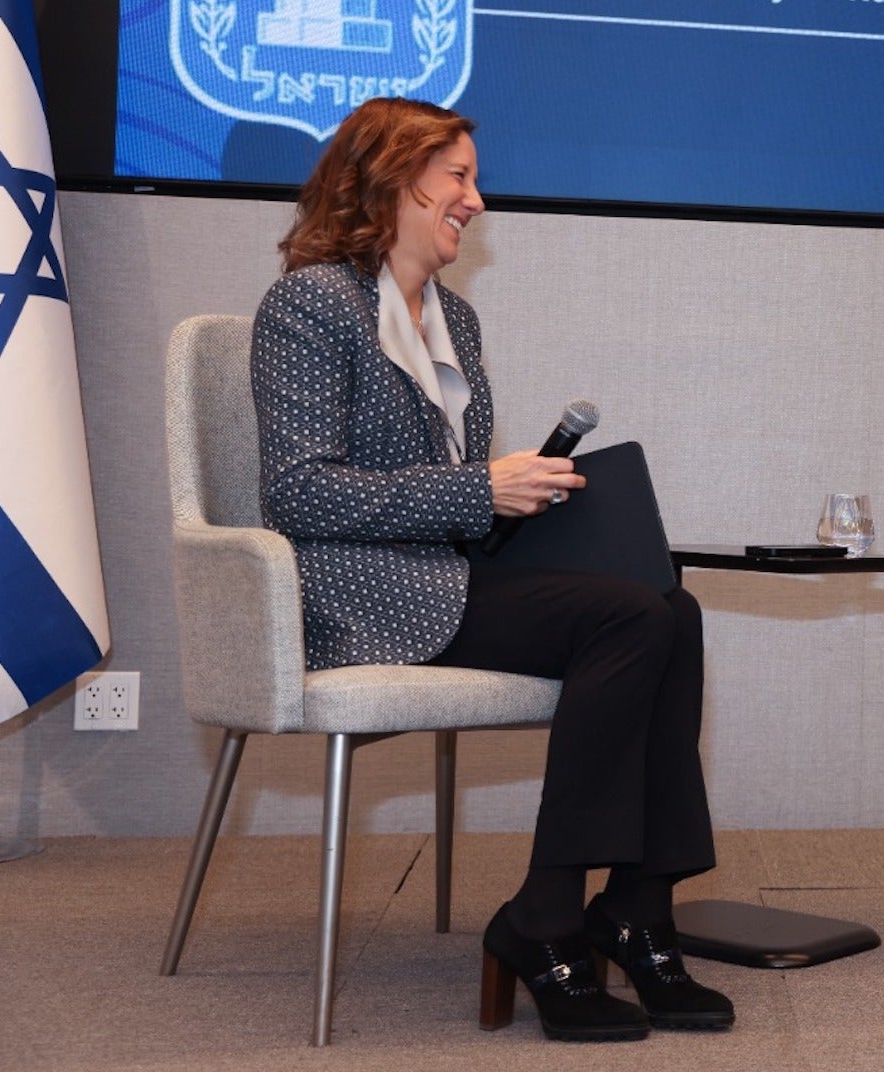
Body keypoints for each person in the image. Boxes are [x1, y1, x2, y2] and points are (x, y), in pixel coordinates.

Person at [250, 98, 731, 1043]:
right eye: (459, 177)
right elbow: (297, 493)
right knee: (631, 618)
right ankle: (545, 916)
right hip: (364, 595)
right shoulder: (310, 303)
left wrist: (527, 498)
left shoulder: (457, 322)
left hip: (452, 575)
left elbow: (461, 496)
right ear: (391, 179)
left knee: (673, 607)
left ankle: (638, 907)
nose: (476, 199)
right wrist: (480, 490)